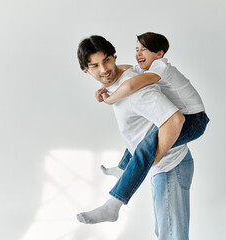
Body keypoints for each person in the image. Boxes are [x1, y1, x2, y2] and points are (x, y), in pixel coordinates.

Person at [75, 35, 205, 239]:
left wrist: (153, 159)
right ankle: (123, 169)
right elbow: (127, 71)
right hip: (165, 168)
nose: (103, 70)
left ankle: (114, 203)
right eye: (95, 66)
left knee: (172, 235)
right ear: (86, 70)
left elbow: (175, 120)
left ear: (114, 57)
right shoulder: (126, 75)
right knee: (165, 232)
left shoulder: (137, 89)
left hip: (170, 166)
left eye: (107, 60)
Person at [95, 32, 209, 204]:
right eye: (137, 49)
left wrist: (110, 99)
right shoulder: (146, 68)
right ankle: (122, 168)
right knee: (143, 138)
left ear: (159, 54)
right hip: (187, 116)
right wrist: (106, 81)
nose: (138, 53)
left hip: (194, 120)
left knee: (146, 147)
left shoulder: (160, 67)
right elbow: (126, 69)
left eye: (144, 49)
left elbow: (131, 84)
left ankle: (117, 199)